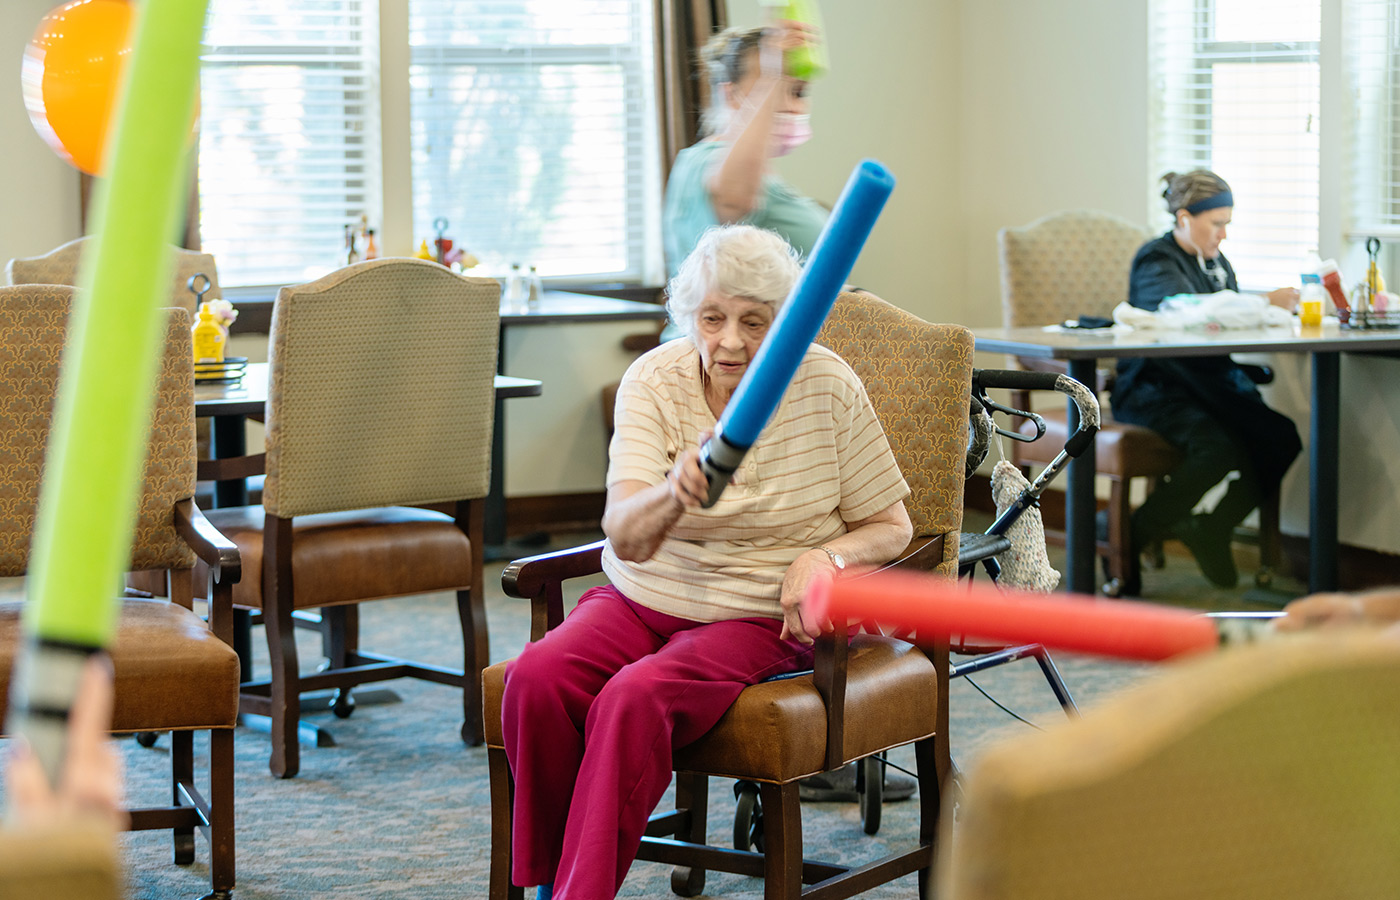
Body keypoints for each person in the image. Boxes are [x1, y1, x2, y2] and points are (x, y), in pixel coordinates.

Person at [500, 225, 914, 900]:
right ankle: (551, 884)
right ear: (687, 316)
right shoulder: (654, 380)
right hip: (642, 595)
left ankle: (580, 895)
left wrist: (826, 556)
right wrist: (672, 494)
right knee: (536, 678)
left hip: (756, 615)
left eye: (754, 322)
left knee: (634, 699)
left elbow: (891, 526)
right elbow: (625, 539)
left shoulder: (827, 385)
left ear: (784, 322)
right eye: (712, 318)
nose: (729, 341)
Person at [1110, 170, 1303, 590]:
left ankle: (1212, 527)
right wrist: (1263, 301)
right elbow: (1190, 314)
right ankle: (1130, 534)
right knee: (1217, 449)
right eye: (1216, 224)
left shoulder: (1216, 264)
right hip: (1153, 388)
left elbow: (1226, 317)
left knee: (1281, 438)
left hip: (1208, 386)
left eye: (1227, 224)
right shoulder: (1155, 261)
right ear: (1184, 218)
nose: (1223, 235)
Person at [662, 22, 828, 281]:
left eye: (798, 92)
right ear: (731, 94)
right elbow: (732, 200)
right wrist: (775, 75)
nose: (792, 106)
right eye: (772, 87)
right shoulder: (705, 162)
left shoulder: (763, 180)